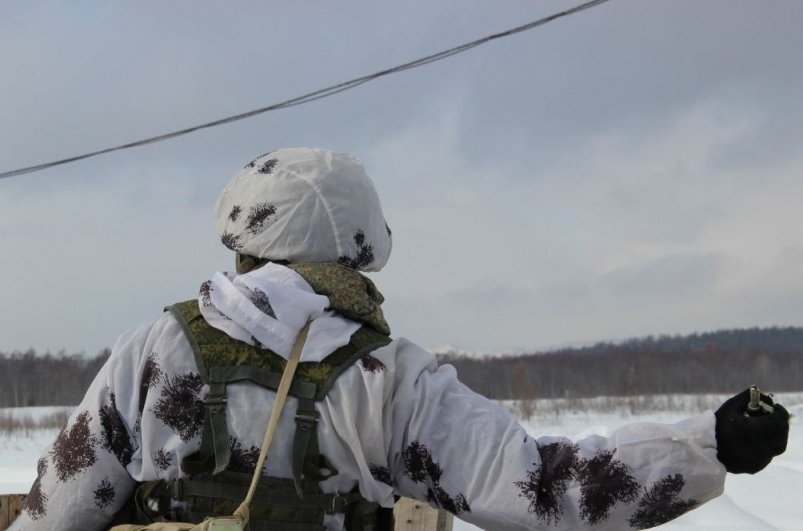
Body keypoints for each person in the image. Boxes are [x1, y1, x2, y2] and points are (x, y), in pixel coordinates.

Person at [11, 147, 789, 531]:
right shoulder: (386, 375)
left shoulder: (154, 351)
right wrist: (706, 444)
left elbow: (58, 509)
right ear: (358, 250)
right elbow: (544, 487)